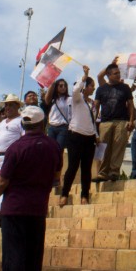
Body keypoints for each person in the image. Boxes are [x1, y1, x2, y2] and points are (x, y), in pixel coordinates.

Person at [0, 106, 62, 271]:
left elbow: (2, 181)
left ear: (23, 125)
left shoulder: (16, 148)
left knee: (14, 257)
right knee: (33, 259)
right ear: (43, 123)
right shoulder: (54, 147)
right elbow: (57, 178)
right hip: (38, 210)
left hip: (14, 210)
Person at [59, 68, 97, 206]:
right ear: (85, 87)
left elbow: (92, 120)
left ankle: (84, 196)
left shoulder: (91, 103)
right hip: (75, 135)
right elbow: (75, 90)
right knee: (73, 166)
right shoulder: (77, 98)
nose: (93, 88)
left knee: (86, 168)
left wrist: (96, 135)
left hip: (90, 137)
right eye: (91, 86)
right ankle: (64, 194)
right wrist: (84, 76)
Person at [94, 63, 134, 182]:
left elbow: (130, 105)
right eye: (115, 73)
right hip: (105, 122)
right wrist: (93, 124)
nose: (118, 75)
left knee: (118, 147)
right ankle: (102, 173)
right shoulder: (101, 89)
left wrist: (131, 120)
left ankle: (114, 172)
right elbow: (96, 107)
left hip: (121, 121)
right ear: (108, 75)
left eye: (119, 73)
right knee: (103, 148)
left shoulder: (125, 88)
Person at [43, 78, 72, 187]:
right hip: (52, 127)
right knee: (50, 152)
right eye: (60, 85)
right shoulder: (52, 99)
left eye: (64, 85)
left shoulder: (69, 99)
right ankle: (50, 175)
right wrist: (52, 83)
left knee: (58, 151)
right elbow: (46, 100)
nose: (63, 87)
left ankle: (57, 177)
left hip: (63, 127)